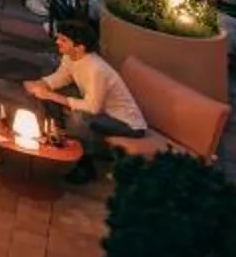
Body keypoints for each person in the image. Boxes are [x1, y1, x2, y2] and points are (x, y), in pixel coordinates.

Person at [20, 21, 146, 183]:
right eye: (59, 38)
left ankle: (85, 165)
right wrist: (40, 84)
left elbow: (93, 107)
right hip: (102, 112)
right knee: (48, 94)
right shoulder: (70, 56)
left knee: (80, 117)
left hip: (126, 123)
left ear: (80, 47)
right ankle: (58, 137)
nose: (58, 42)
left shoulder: (96, 69)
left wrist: (50, 96)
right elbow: (62, 77)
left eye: (63, 40)